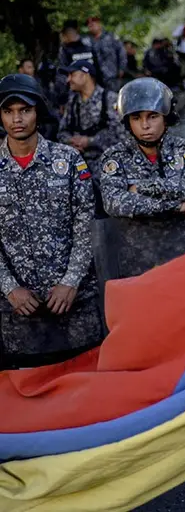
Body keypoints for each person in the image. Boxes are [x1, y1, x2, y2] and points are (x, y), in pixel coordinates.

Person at [0, 73, 104, 370]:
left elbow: (86, 226)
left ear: (38, 112)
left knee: (87, 390)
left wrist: (70, 282)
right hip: (19, 313)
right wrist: (9, 287)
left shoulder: (69, 161)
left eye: (25, 110)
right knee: (28, 400)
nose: (16, 119)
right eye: (8, 112)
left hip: (76, 308)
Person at [96, 78, 185, 278]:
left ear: (166, 117)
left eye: (152, 116)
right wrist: (177, 206)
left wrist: (139, 188)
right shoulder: (114, 157)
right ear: (127, 122)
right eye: (136, 118)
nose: (145, 125)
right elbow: (115, 203)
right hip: (138, 264)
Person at [57, 60, 126, 169]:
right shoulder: (72, 102)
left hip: (108, 166)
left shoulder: (110, 99)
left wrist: (90, 142)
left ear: (85, 75)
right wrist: (71, 141)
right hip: (78, 165)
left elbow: (122, 136)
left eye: (72, 75)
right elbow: (61, 132)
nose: (68, 79)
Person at [55, 23, 101, 107]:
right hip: (88, 89)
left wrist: (62, 98)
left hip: (83, 90)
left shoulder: (65, 50)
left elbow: (62, 76)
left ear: (66, 35)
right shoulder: (90, 44)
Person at [85, 16, 127, 91]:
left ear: (99, 24)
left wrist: (121, 69)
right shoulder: (87, 41)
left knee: (114, 97)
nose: (91, 27)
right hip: (96, 77)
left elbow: (122, 53)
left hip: (112, 75)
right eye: (89, 26)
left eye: (93, 24)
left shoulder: (111, 37)